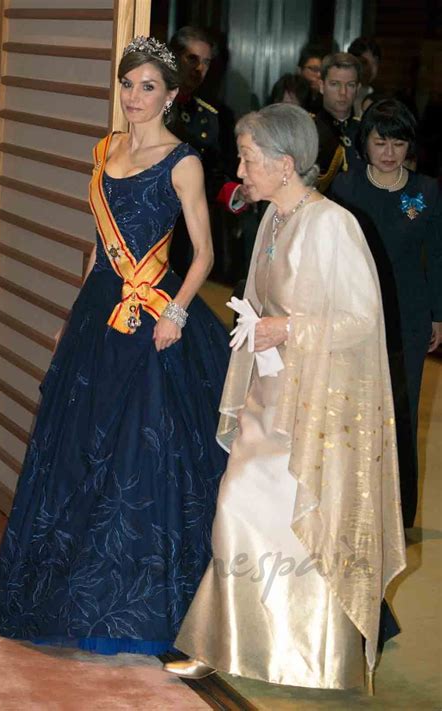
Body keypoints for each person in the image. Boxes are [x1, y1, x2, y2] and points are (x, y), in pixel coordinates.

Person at [0, 36, 230, 655]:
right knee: (77, 449)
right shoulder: (104, 151)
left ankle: (136, 602)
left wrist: (176, 311)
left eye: (148, 87)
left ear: (172, 96)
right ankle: (66, 594)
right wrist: (78, 314)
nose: (134, 98)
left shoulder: (184, 162)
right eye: (128, 85)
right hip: (101, 310)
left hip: (159, 319)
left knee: (143, 453)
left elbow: (203, 254)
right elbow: (99, 246)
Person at [164, 104, 406, 690]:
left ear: (285, 163)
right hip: (268, 396)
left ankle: (314, 651)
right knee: (237, 508)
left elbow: (360, 320)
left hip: (316, 407)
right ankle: (220, 641)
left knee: (303, 526)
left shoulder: (331, 225)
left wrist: (289, 328)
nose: (240, 169)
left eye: (248, 158)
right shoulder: (273, 219)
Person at [330, 99, 442, 528]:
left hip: (409, 318)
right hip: (355, 313)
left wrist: (437, 313)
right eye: (381, 142)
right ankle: (354, 503)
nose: (390, 152)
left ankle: (400, 511)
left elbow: (437, 255)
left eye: (399, 142)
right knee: (353, 408)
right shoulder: (346, 188)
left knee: (402, 410)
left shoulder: (426, 191)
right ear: (366, 143)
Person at [168, 26, 248, 278]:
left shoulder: (210, 116)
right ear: (173, 56)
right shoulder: (150, 101)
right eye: (192, 59)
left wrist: (234, 193)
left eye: (206, 62)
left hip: (185, 222)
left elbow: (212, 172)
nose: (199, 69)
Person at [315, 52, 362, 192]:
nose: (343, 92)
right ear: (322, 86)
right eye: (335, 84)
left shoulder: (366, 131)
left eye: (350, 85)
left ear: (358, 89)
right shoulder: (307, 130)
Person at [347, 37, 381, 118]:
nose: (369, 69)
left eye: (374, 62)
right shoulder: (343, 93)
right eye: (364, 63)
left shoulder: (382, 98)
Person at [296, 43, 325, 113]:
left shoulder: (324, 94)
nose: (319, 75)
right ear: (300, 70)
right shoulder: (291, 90)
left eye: (322, 71)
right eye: (314, 69)